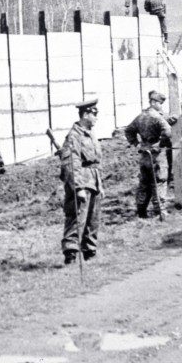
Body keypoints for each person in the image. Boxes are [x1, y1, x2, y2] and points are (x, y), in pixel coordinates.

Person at [59, 99, 103, 265]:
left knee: (93, 219)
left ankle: (89, 252)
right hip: (82, 182)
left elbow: (96, 162)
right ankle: (70, 254)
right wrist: (78, 187)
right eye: (94, 114)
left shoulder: (90, 134)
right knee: (78, 218)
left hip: (94, 180)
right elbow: (71, 163)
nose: (96, 117)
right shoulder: (74, 136)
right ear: (86, 114)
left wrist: (101, 186)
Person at [125, 90, 172, 219]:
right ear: (154, 102)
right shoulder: (157, 117)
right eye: (160, 103)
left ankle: (141, 210)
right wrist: (161, 144)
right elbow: (168, 132)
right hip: (157, 154)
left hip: (144, 153)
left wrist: (136, 143)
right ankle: (160, 210)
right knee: (160, 181)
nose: (161, 106)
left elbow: (128, 130)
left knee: (144, 183)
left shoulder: (140, 116)